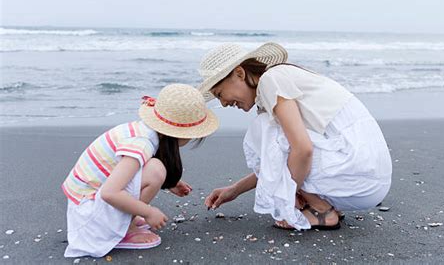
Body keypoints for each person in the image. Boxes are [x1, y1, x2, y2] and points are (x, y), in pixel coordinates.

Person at [199, 43, 392, 231]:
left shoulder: (270, 80)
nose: (223, 103)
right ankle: (321, 204)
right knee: (274, 135)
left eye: (219, 94)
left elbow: (302, 150)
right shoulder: (277, 81)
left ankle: (322, 211)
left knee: (264, 129)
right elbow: (280, 160)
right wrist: (235, 189)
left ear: (240, 73)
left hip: (361, 174)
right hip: (366, 179)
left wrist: (287, 196)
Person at [61, 84, 218, 257]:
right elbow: (109, 193)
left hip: (86, 204)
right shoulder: (142, 143)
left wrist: (170, 183)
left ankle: (125, 220)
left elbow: (132, 169)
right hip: (89, 218)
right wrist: (148, 212)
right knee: (157, 170)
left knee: (157, 169)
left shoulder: (144, 132)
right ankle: (125, 229)